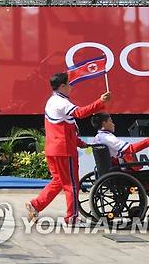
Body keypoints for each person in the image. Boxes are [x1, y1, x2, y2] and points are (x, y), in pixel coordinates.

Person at [26, 72, 110, 226]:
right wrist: (100, 101)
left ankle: (36, 204)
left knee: (58, 181)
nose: (71, 86)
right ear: (62, 86)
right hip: (64, 150)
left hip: (53, 149)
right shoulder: (62, 102)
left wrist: (80, 143)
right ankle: (72, 218)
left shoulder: (52, 101)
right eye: (69, 84)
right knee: (71, 184)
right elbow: (80, 113)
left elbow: (64, 128)